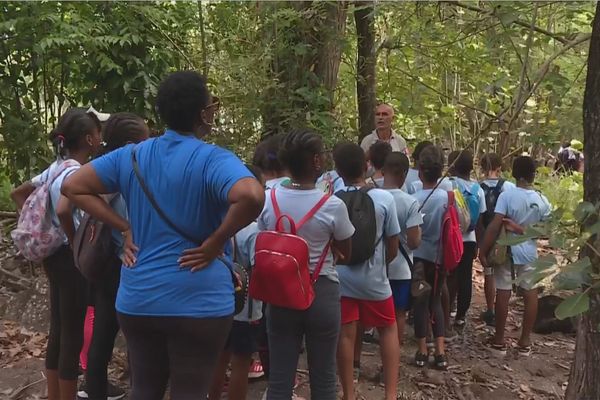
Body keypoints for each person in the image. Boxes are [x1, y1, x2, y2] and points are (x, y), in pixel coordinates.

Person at [61, 71, 265, 399]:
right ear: (203, 114)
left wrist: (124, 226)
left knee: (145, 389)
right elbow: (252, 196)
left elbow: (73, 187)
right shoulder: (214, 159)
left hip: (140, 297)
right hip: (201, 300)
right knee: (191, 391)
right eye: (211, 103)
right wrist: (215, 242)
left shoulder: (131, 156)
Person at [11, 108, 103, 400]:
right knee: (72, 333)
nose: (101, 138)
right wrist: (74, 240)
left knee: (59, 328)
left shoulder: (56, 167)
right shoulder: (76, 173)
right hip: (69, 255)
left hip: (54, 257)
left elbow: (18, 193)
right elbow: (66, 210)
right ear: (89, 139)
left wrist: (39, 224)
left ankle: (55, 394)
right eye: (98, 133)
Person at [257, 129, 354, 400]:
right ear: (316, 161)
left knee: (279, 380)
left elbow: (265, 238)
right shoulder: (332, 205)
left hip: (279, 294)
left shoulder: (269, 200)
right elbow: (345, 251)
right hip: (321, 291)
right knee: (323, 379)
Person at [78, 113, 150, 400]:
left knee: (104, 334)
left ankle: (94, 388)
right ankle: (141, 389)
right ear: (133, 145)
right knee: (138, 338)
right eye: (146, 141)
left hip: (107, 265)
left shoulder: (103, 174)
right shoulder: (129, 179)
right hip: (126, 265)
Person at [335, 143, 401, 400]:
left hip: (342, 278)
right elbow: (393, 245)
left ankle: (348, 393)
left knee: (347, 333)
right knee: (388, 328)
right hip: (374, 278)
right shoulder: (385, 198)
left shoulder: (334, 199)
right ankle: (391, 394)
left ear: (338, 170)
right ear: (367, 165)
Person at [480, 156, 551, 357]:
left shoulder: (508, 196)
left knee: (503, 292)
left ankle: (499, 340)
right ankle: (525, 341)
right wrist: (525, 230)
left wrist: (483, 250)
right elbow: (547, 230)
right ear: (533, 175)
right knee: (530, 294)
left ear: (513, 172)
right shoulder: (541, 199)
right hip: (529, 252)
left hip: (507, 250)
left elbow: (494, 226)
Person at [209, 165, 266, 400]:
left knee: (219, 357)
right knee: (242, 361)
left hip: (219, 303)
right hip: (247, 308)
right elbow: (258, 266)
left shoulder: (217, 223)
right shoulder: (253, 231)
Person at [411, 145, 449, 370]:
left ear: (420, 170)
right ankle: (441, 351)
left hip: (418, 257)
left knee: (420, 302)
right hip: (440, 256)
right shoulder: (448, 197)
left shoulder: (413, 198)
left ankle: (422, 349)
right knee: (436, 301)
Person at [382, 152, 423, 351]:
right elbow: (414, 242)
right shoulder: (410, 202)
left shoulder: (371, 196)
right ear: (405, 174)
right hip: (400, 268)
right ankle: (392, 356)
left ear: (382, 171)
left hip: (375, 267)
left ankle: (357, 362)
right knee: (398, 314)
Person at [446, 150, 486, 329]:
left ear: (452, 165)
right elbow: (481, 221)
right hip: (469, 239)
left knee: (450, 276)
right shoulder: (478, 189)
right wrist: (479, 244)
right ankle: (461, 315)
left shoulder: (448, 184)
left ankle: (446, 310)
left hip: (451, 238)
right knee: (465, 277)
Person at [478, 153, 516, 326]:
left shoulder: (478, 188)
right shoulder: (508, 187)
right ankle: (500, 310)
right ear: (500, 168)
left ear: (481, 168)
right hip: (503, 235)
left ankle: (490, 309)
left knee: (488, 273)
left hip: (485, 234)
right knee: (503, 274)